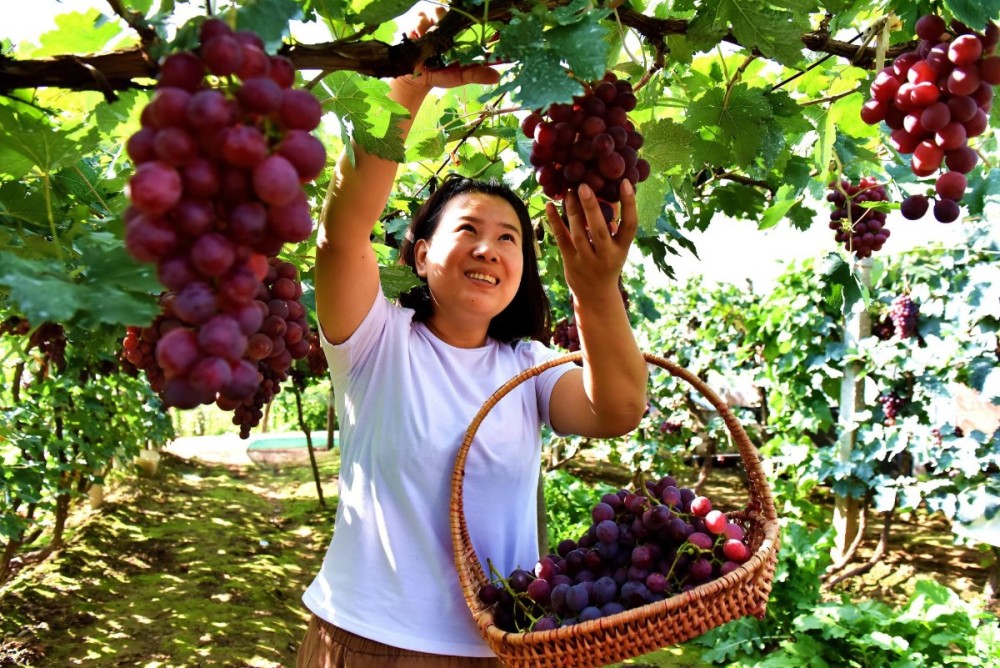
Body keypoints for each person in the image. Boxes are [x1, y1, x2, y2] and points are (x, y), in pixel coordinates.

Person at [296, 11, 649, 667]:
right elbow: (341, 235)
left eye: (509, 237)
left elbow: (619, 410)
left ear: (524, 270)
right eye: (468, 230)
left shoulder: (530, 368)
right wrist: (406, 87)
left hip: (496, 650)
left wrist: (597, 291)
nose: (489, 248)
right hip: (365, 642)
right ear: (423, 254)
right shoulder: (376, 342)